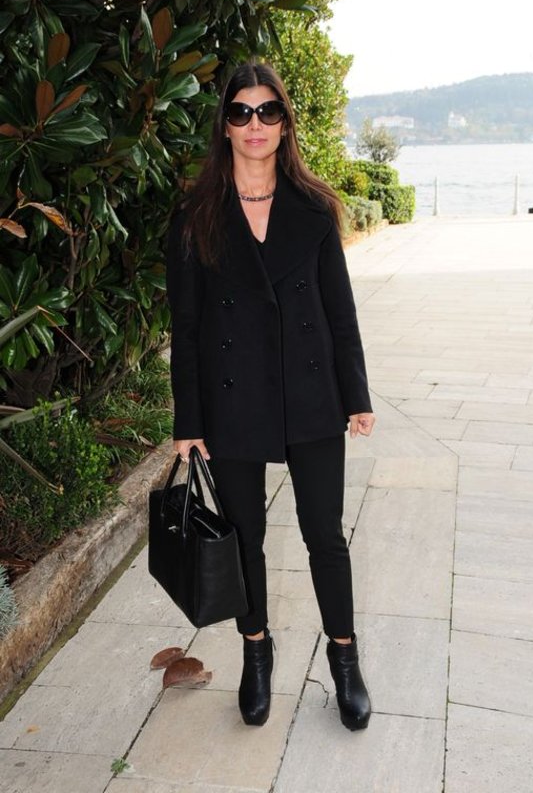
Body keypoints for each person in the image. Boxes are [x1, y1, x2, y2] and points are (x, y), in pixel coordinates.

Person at [166, 61, 376, 731]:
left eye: (267, 111)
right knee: (244, 538)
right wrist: (188, 419)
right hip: (232, 401)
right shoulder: (195, 215)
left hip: (310, 392)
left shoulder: (313, 208)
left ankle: (344, 656)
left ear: (284, 124)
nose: (254, 124)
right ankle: (255, 652)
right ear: (224, 126)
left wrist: (355, 393)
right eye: (241, 112)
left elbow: (339, 310)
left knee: (324, 536)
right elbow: (186, 327)